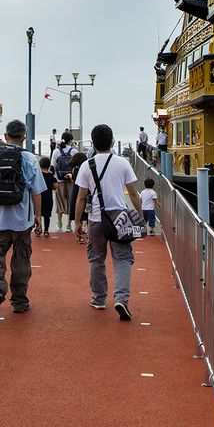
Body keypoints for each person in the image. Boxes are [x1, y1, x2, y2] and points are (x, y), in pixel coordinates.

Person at [0, 119, 46, 319]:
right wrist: (38, 216)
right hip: (21, 220)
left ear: (5, 136)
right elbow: (37, 191)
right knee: (21, 261)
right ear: (24, 138)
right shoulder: (30, 159)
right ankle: (19, 301)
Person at [74, 123, 145, 320]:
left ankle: (98, 299)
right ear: (112, 141)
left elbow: (81, 197)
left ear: (92, 143)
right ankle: (121, 299)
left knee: (96, 258)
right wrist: (141, 217)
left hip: (97, 219)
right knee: (122, 258)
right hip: (120, 218)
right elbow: (133, 193)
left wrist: (77, 222)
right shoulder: (123, 163)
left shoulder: (86, 165)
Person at [51, 132, 77, 232]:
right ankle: (68, 225)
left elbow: (53, 165)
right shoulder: (74, 151)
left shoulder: (56, 151)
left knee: (59, 201)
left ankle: (59, 223)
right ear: (71, 140)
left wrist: (54, 179)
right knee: (71, 201)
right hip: (71, 179)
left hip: (59, 179)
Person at [38, 156, 56, 235]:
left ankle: (38, 228)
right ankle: (46, 230)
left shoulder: (38, 176)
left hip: (39, 197)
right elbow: (55, 187)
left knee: (38, 214)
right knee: (47, 215)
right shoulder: (51, 176)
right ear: (49, 165)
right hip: (48, 197)